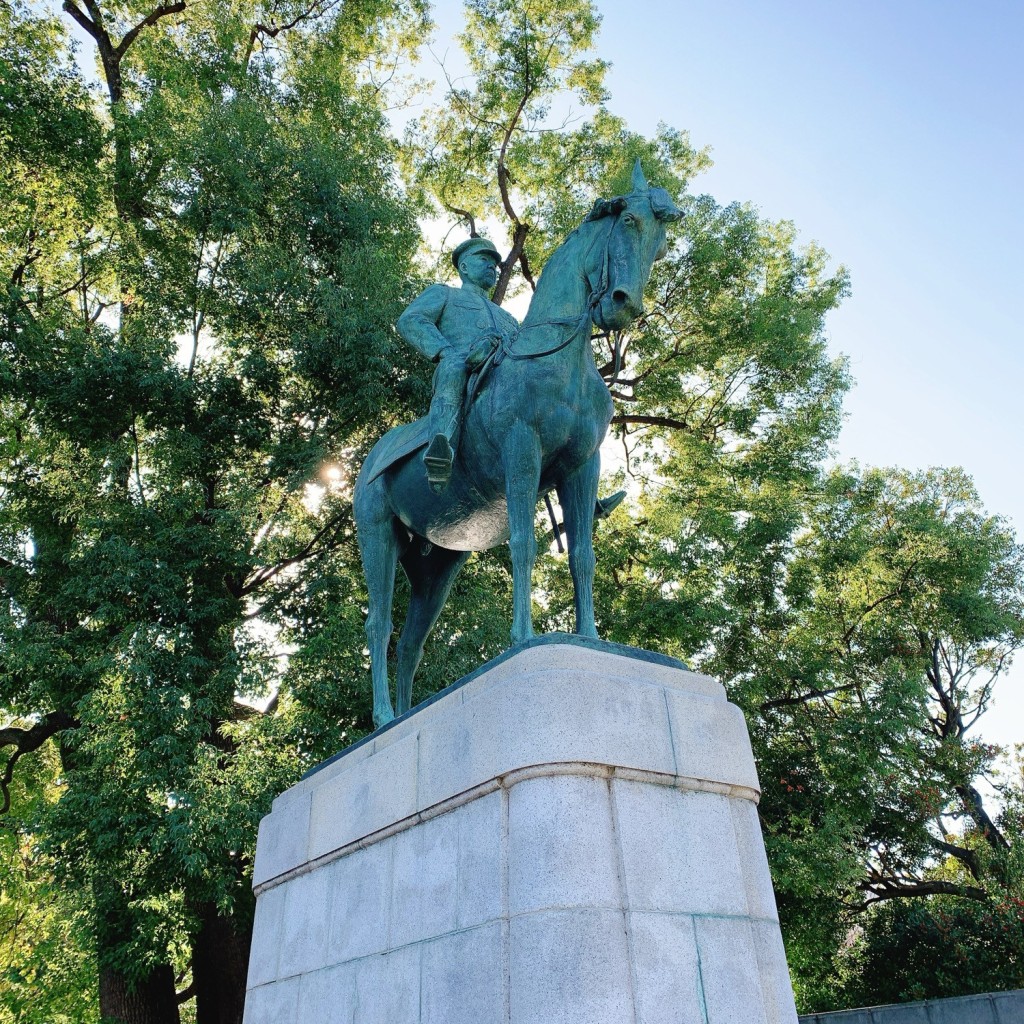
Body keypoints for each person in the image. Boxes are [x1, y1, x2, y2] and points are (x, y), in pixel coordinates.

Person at [397, 238, 518, 492]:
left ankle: (570, 472)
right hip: (463, 363)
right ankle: (441, 449)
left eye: (495, 264)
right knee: (453, 369)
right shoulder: (445, 294)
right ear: (464, 267)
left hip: (505, 372)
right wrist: (445, 351)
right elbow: (411, 320)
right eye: (484, 260)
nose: (492, 267)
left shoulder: (508, 318)